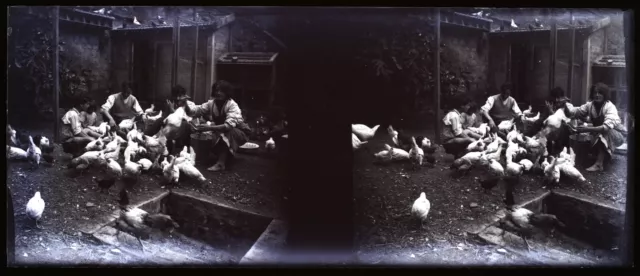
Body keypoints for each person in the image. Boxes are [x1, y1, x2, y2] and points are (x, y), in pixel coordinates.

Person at [182, 80, 251, 172]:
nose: (218, 93)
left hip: (241, 132)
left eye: (221, 91)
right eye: (216, 90)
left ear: (227, 93)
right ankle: (227, 156)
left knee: (226, 132)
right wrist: (185, 103)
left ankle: (221, 164)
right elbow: (193, 112)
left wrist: (208, 127)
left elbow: (228, 126)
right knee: (208, 136)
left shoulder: (232, 105)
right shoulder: (212, 103)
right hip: (222, 131)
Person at [564, 83, 626, 172]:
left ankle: (599, 164)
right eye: (595, 93)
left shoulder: (609, 107)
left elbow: (606, 127)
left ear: (605, 95)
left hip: (617, 135)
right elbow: (574, 112)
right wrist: (566, 105)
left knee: (605, 132)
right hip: (599, 133)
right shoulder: (590, 105)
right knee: (590, 137)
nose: (597, 95)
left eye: (600, 93)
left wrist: (587, 129)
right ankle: (603, 156)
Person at [442, 94, 480, 159]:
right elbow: (457, 133)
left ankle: (481, 139)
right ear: (462, 106)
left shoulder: (456, 114)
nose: (469, 107)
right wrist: (471, 139)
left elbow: (459, 131)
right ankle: (462, 154)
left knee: (468, 132)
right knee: (469, 140)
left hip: (453, 138)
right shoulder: (454, 115)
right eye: (468, 105)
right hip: (448, 141)